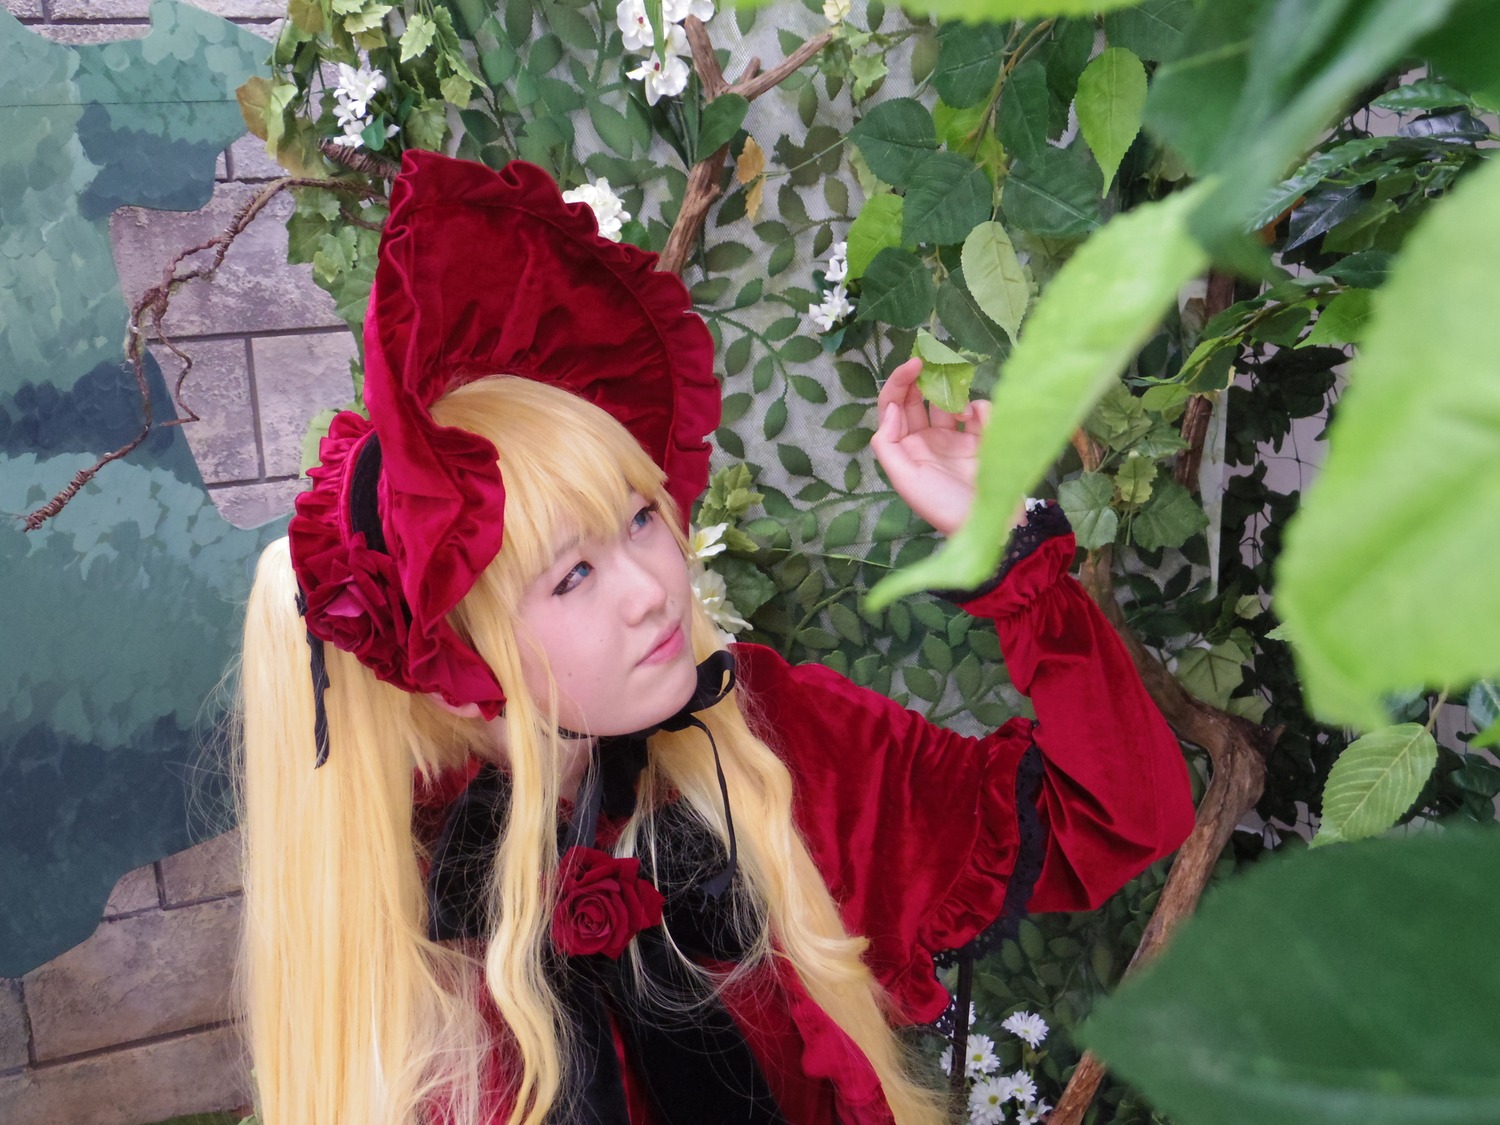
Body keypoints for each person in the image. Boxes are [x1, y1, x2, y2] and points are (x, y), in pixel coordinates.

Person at [237, 151, 1195, 1125]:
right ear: (452, 661)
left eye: (641, 520)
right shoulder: (397, 918)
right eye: (574, 573)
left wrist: (1007, 555)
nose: (652, 589)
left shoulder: (773, 742)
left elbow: (1119, 815)